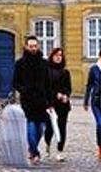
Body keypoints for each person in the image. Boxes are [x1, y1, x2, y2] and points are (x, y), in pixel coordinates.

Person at [12, 35, 51, 164]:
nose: (33, 48)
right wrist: (23, 90)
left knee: (41, 128)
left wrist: (49, 101)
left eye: (35, 46)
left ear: (38, 46)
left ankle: (32, 148)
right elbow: (15, 82)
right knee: (31, 125)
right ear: (26, 47)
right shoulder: (20, 63)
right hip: (27, 100)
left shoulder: (44, 63)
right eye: (31, 46)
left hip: (41, 100)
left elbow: (48, 83)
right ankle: (35, 153)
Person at [43, 47, 72, 160]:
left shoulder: (65, 72)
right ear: (52, 56)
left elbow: (68, 88)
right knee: (49, 128)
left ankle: (60, 151)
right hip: (50, 103)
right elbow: (45, 88)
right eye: (56, 55)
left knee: (62, 127)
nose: (58, 57)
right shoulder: (46, 71)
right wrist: (56, 95)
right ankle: (47, 145)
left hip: (63, 104)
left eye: (60, 55)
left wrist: (66, 96)